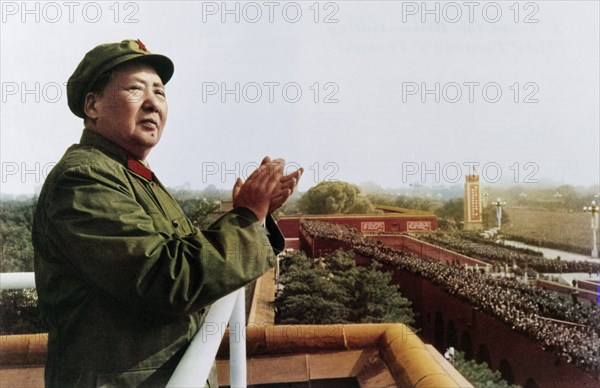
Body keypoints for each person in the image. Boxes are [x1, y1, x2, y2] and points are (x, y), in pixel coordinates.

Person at [32, 39, 303, 387]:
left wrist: (255, 216)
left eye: (160, 93)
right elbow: (166, 279)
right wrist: (246, 217)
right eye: (135, 89)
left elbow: (180, 254)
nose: (152, 103)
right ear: (92, 105)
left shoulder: (131, 175)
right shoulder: (83, 180)